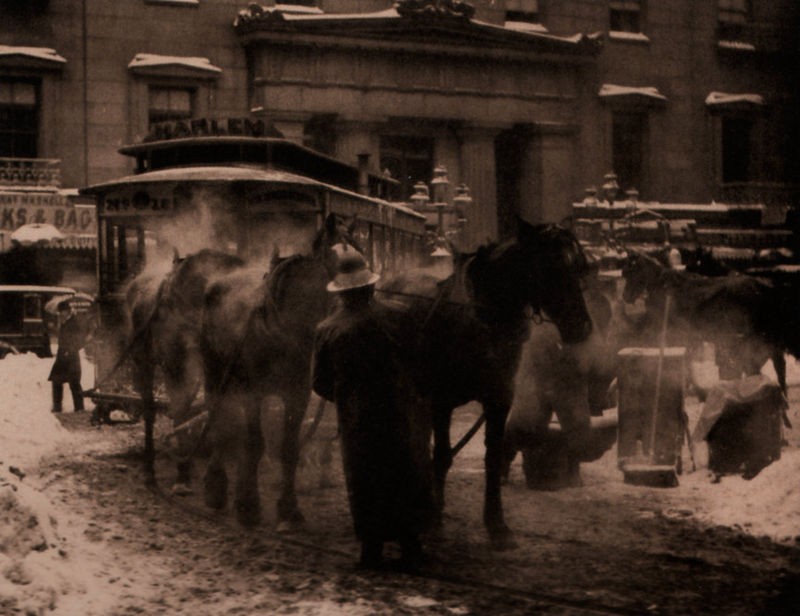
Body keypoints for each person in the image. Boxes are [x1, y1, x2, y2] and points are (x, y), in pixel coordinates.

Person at [311, 250, 435, 571]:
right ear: (369, 287)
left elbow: (320, 383)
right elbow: (420, 361)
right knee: (404, 473)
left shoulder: (327, 328)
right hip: (399, 411)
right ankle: (411, 546)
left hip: (356, 419)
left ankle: (371, 550)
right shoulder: (398, 316)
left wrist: (348, 399)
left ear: (341, 291)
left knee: (364, 478)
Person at [49, 300, 85, 413]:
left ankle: (79, 408)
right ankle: (57, 406)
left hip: (71, 357)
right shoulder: (65, 323)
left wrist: (70, 350)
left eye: (62, 312)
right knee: (56, 381)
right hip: (62, 357)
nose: (60, 314)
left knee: (74, 382)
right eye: (59, 312)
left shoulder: (74, 323)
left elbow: (80, 340)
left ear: (67, 311)